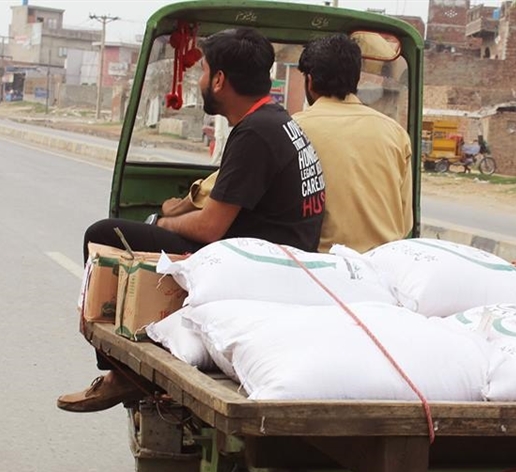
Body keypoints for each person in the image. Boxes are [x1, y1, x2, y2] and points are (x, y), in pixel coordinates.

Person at [58, 28, 326, 412]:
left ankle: (123, 373)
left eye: (203, 72)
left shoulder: (255, 133)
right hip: (273, 256)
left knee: (103, 235)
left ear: (219, 80)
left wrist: (162, 224)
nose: (200, 82)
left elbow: (209, 228)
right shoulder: (276, 121)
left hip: (257, 268)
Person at [293, 34, 413, 253]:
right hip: (383, 263)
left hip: (320, 264)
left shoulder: (293, 130)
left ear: (309, 81)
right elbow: (404, 223)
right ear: (356, 79)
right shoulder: (395, 133)